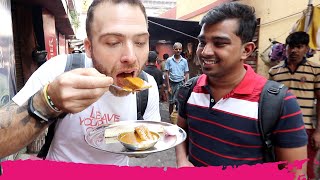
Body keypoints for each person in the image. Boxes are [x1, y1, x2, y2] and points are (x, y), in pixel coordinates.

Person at [0, 0, 160, 165]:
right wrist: (48, 101)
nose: (131, 57)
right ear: (89, 47)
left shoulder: (148, 87)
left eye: (140, 42)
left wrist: (136, 141)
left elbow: (144, 151)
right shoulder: (60, 69)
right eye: (113, 42)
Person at [175, 2, 307, 178]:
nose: (205, 52)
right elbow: (180, 133)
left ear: (246, 50)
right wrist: (182, 161)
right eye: (202, 42)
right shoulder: (189, 90)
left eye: (219, 43)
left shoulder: (279, 104)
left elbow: (295, 174)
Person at [269, 31, 320, 179]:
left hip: (305, 129)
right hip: (278, 128)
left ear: (306, 49)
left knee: (305, 170)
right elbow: (270, 101)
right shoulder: (275, 72)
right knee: (279, 168)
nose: (294, 50)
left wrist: (318, 132)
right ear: (285, 48)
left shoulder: (315, 71)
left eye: (299, 46)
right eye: (291, 46)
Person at [165, 42, 189, 116]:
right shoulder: (169, 60)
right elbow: (166, 73)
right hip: (172, 83)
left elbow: (186, 73)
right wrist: (168, 87)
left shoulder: (184, 61)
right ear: (173, 49)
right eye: (176, 49)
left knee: (179, 102)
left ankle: (178, 118)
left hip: (181, 83)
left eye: (180, 49)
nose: (178, 50)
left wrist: (186, 84)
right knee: (171, 102)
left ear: (181, 50)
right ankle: (170, 117)